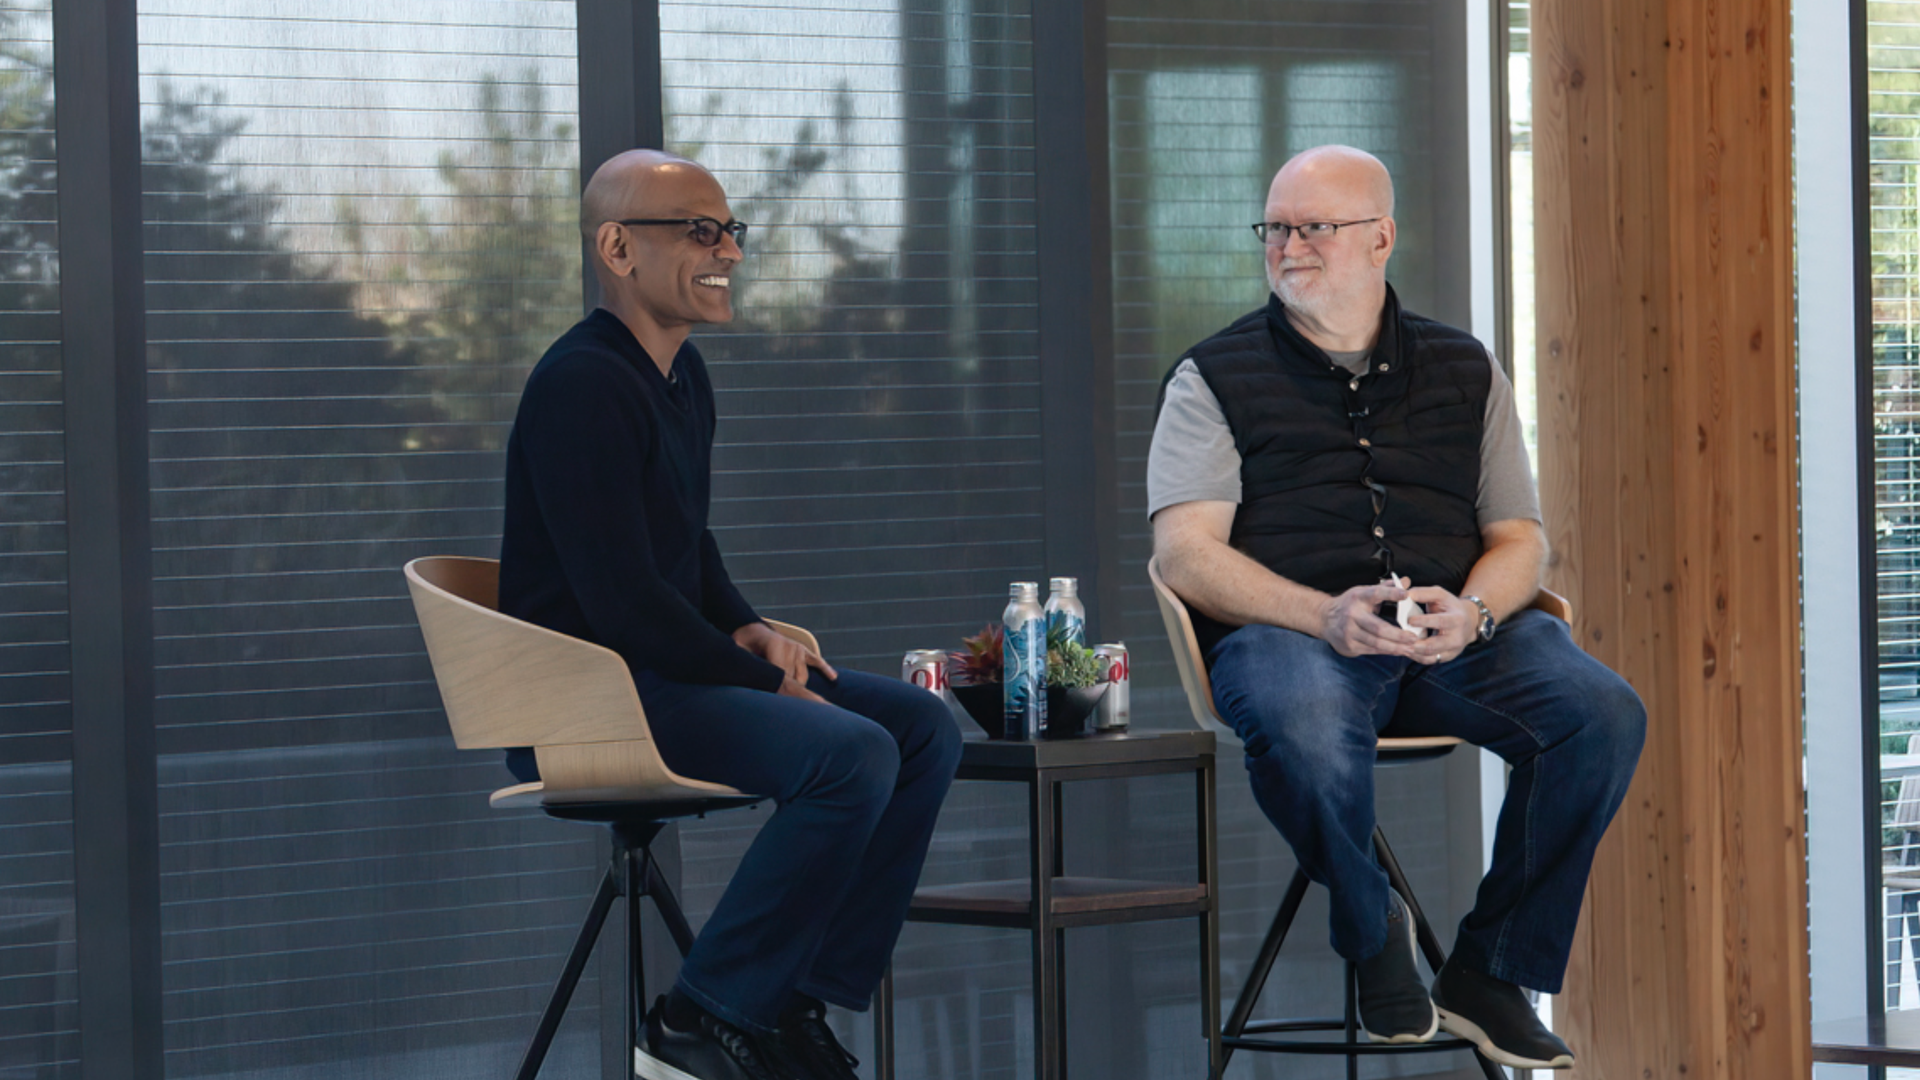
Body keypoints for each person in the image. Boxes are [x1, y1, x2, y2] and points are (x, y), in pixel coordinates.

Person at [1148, 145, 1645, 1071]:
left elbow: (1520, 538)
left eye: (1314, 227)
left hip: (1459, 642)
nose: (1288, 246)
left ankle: (1490, 971)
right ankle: (1373, 923)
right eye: (1276, 228)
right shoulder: (1211, 377)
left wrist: (1475, 613)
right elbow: (1185, 552)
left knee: (1603, 713)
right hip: (1297, 641)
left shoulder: (1466, 367)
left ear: (1381, 238)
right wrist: (1322, 616)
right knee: (1299, 712)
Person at [498, 149, 962, 1080]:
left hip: (659, 675)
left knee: (920, 729)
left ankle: (784, 1005)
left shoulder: (681, 377)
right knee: (850, 752)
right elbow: (623, 601)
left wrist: (748, 625)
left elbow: (685, 544)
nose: (731, 253)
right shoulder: (582, 384)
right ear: (618, 248)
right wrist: (761, 681)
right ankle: (701, 1017)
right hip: (591, 697)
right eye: (700, 231)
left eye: (731, 231)